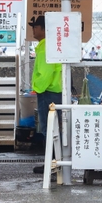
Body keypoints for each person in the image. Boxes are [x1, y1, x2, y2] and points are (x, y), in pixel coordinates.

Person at [28, 15, 62, 174]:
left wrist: (37, 87)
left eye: (35, 27)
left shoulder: (44, 46)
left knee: (48, 129)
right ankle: (55, 162)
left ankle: (52, 164)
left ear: (43, 29)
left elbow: (46, 72)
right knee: (55, 129)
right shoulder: (55, 44)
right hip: (56, 92)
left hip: (48, 93)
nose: (33, 30)